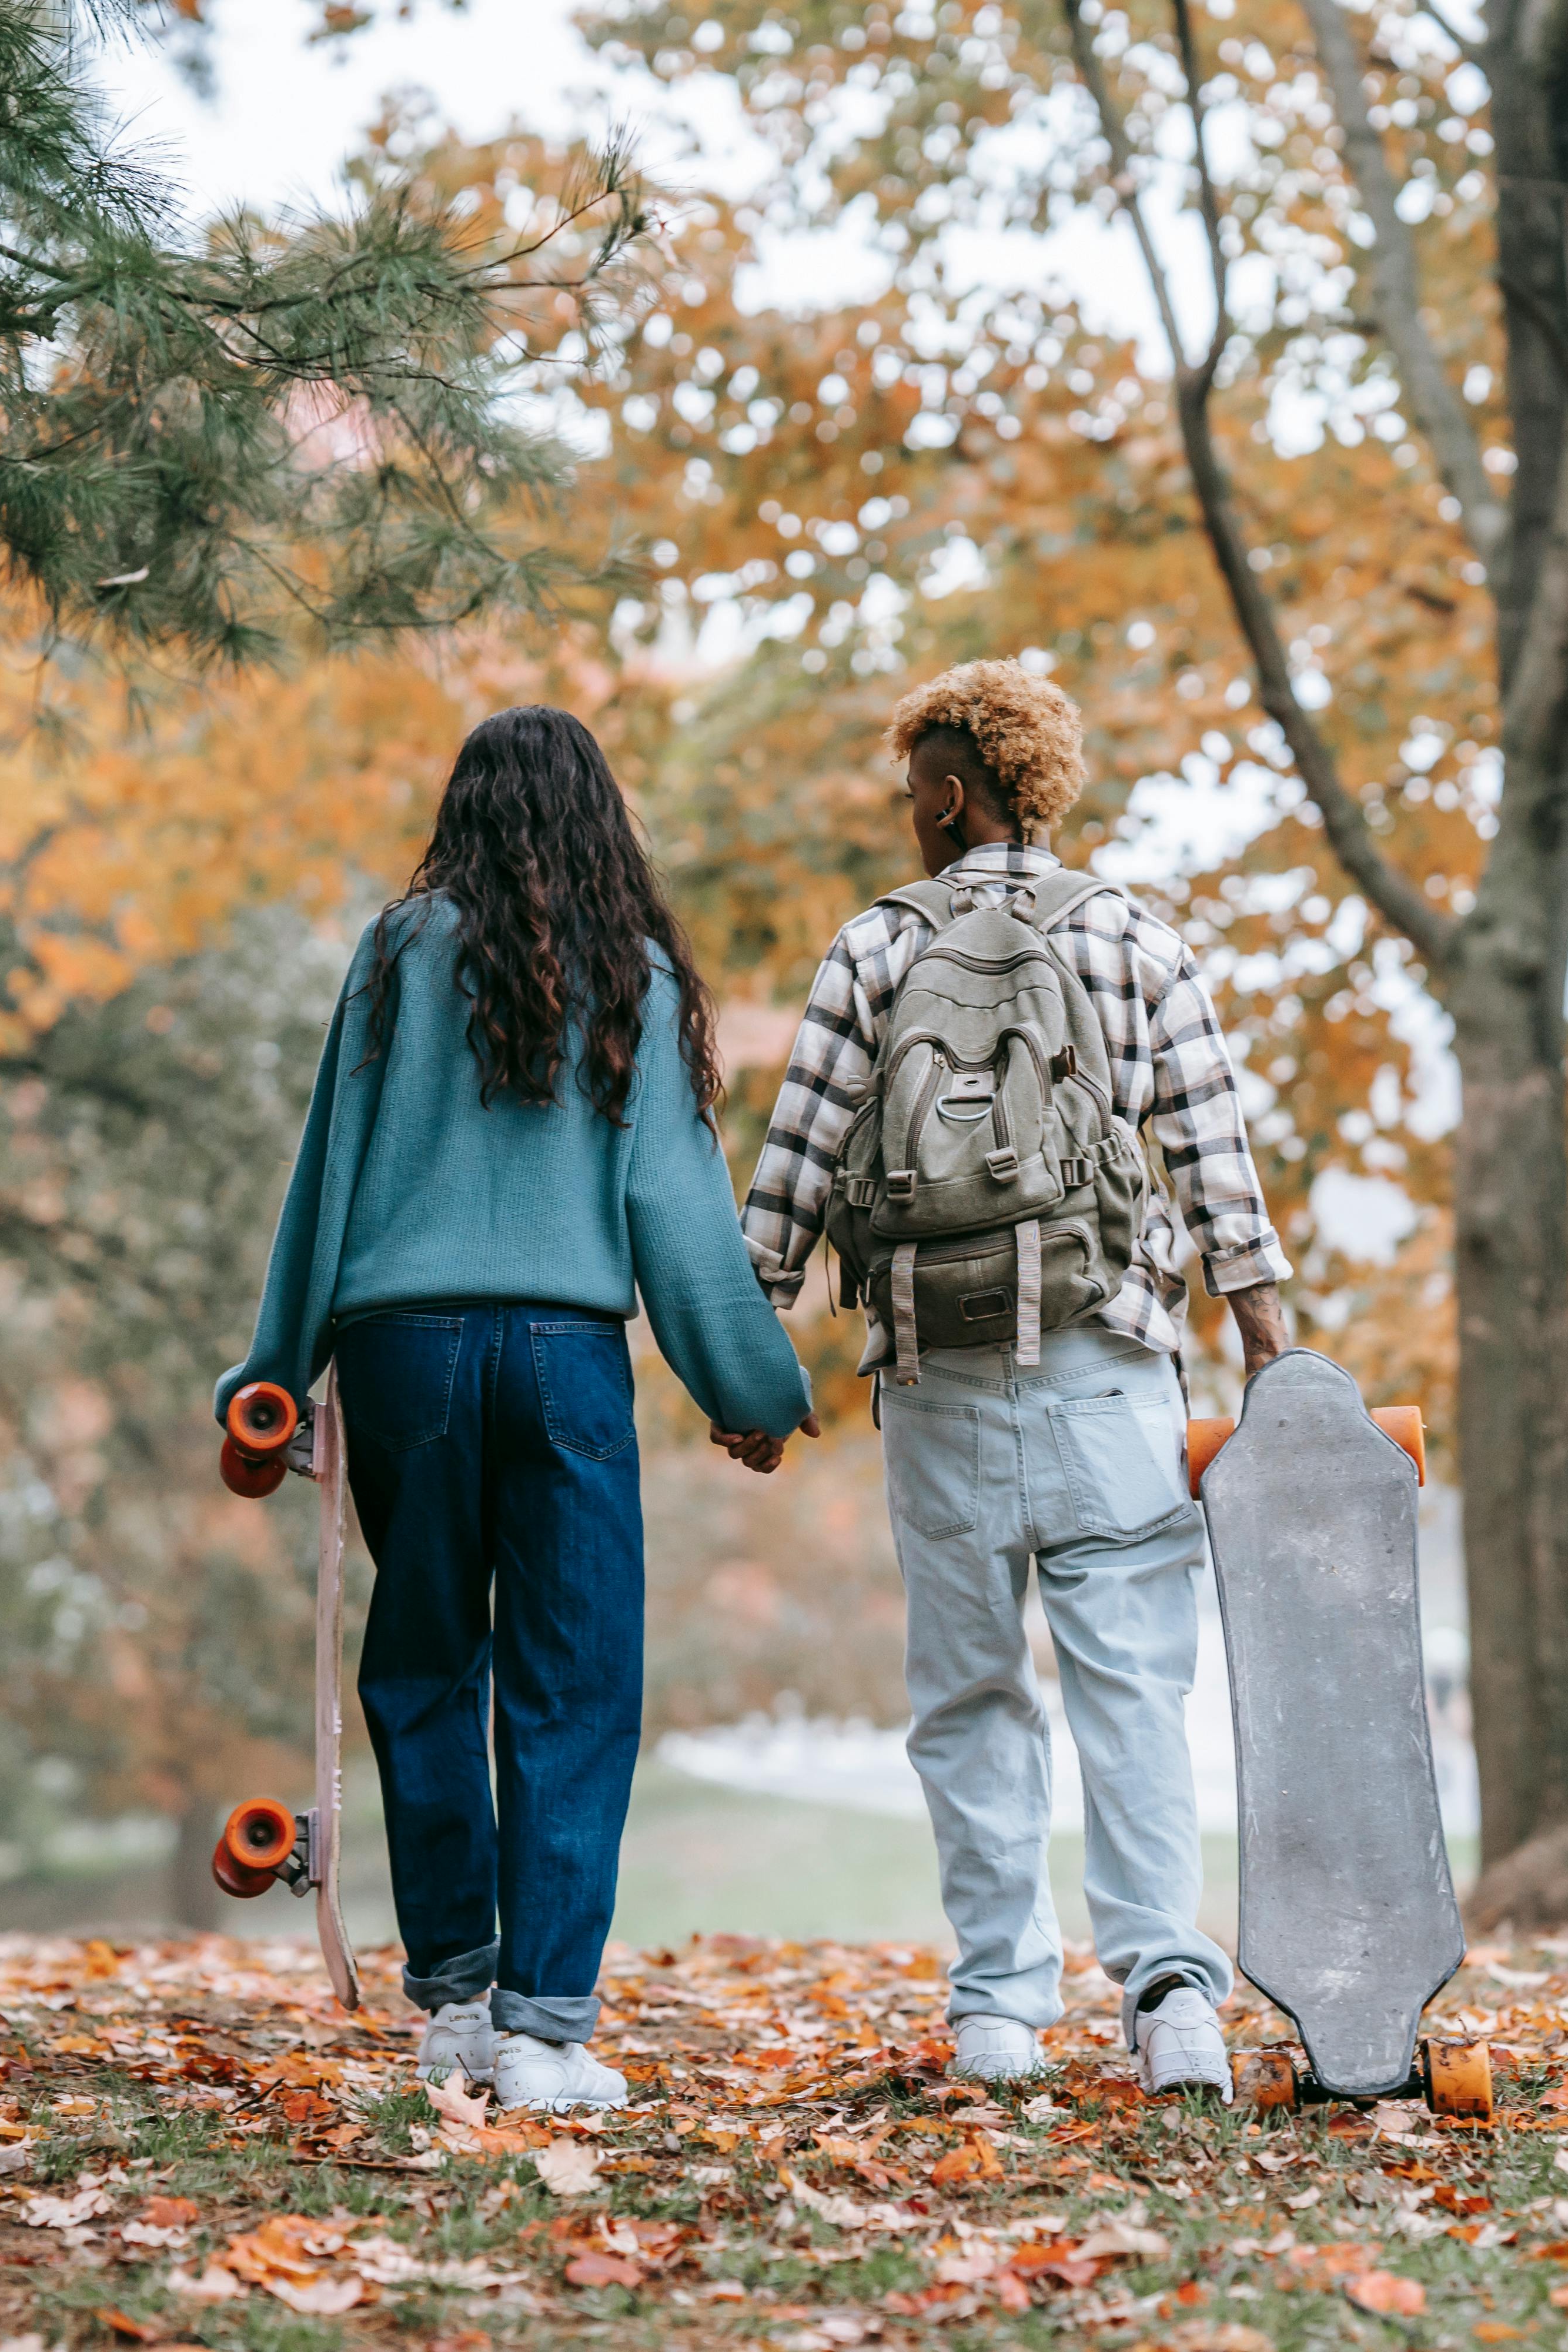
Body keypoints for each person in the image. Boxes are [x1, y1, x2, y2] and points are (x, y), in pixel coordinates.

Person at [214, 706, 817, 2113]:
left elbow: (329, 1169)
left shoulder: (396, 953)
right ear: (603, 820)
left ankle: (456, 2007)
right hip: (564, 1353)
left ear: (463, 811)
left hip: (401, 1353)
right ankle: (549, 2030)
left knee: (425, 1665)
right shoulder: (640, 973)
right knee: (575, 1677)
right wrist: (751, 1391)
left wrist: (272, 1370)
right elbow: (676, 1210)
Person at [739, 659, 1296, 2097]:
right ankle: (1171, 1997)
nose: (903, 813)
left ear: (947, 790)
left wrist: (751, 1356)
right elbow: (1214, 1151)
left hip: (938, 1374)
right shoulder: (1131, 932)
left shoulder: (872, 949)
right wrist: (1269, 1348)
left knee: (971, 1692)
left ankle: (999, 2005)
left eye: (908, 789)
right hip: (1112, 1368)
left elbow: (792, 1169)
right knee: (1131, 1687)